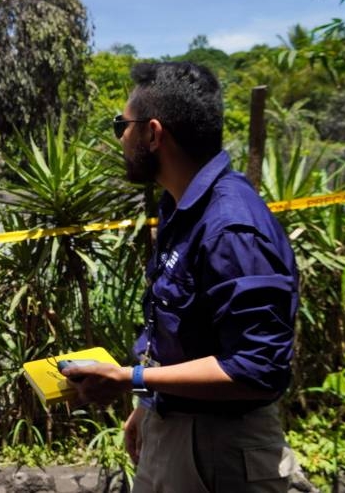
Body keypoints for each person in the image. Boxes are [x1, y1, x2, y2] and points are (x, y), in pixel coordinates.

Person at [60, 61, 299, 492]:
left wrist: (129, 379)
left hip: (219, 450)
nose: (120, 137)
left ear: (153, 133)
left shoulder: (230, 227)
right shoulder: (180, 207)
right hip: (175, 427)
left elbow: (256, 368)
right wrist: (148, 405)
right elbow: (182, 331)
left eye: (122, 124)